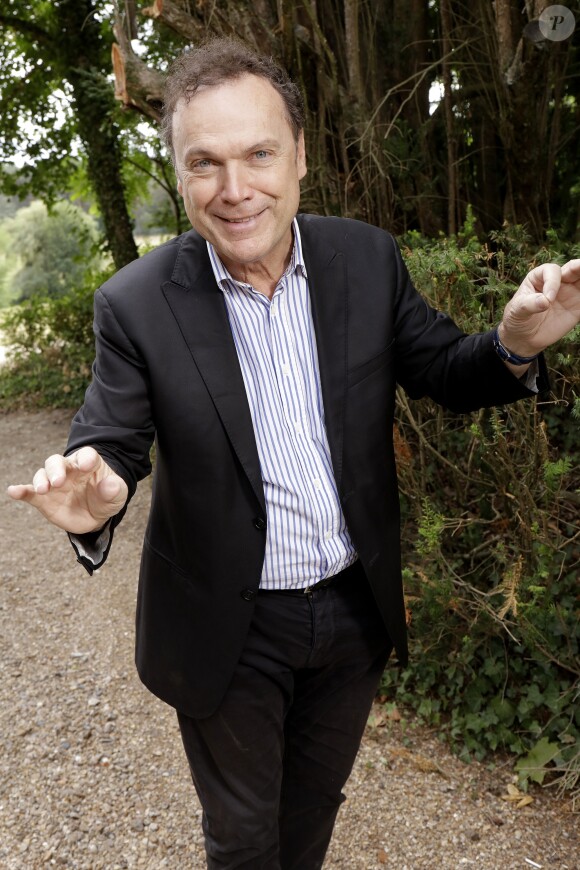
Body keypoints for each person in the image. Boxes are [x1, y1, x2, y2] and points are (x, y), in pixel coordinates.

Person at [7, 37, 580, 870]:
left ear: (301, 155)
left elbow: (444, 373)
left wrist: (513, 345)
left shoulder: (364, 258)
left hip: (352, 610)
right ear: (179, 172)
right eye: (205, 163)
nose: (235, 190)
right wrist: (99, 493)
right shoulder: (134, 305)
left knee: (312, 811)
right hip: (226, 624)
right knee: (243, 838)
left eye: (259, 154)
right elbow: (111, 441)